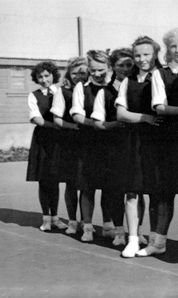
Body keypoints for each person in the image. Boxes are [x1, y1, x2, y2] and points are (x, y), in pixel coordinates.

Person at [137, 26, 178, 258]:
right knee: (163, 193)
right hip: (168, 142)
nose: (177, 50)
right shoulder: (159, 74)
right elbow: (159, 106)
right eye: (172, 46)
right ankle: (158, 241)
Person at [115, 36, 163, 257]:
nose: (142, 59)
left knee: (157, 192)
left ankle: (155, 240)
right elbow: (121, 114)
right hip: (134, 141)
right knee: (133, 191)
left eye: (146, 54)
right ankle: (133, 239)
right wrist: (145, 118)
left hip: (160, 142)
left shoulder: (165, 75)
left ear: (155, 54)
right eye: (137, 55)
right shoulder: (128, 81)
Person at [70, 50, 115, 242]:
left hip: (111, 144)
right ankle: (87, 226)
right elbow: (77, 115)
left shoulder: (114, 87)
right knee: (87, 187)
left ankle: (108, 225)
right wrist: (99, 124)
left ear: (109, 68)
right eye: (93, 70)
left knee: (109, 186)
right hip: (88, 142)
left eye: (101, 70)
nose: (97, 74)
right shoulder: (82, 88)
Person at [91, 48, 135, 246]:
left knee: (136, 190)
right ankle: (118, 231)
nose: (125, 69)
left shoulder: (140, 86)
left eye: (129, 64)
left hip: (136, 145)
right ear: (112, 68)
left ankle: (136, 231)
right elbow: (98, 123)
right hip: (113, 147)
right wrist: (117, 124)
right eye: (120, 65)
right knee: (116, 190)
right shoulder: (104, 92)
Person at [26, 61, 68, 231]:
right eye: (40, 77)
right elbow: (37, 119)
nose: (43, 80)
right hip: (43, 141)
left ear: (53, 76)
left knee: (55, 179)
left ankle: (56, 217)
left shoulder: (61, 92)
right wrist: (57, 126)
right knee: (44, 180)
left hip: (60, 141)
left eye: (46, 76)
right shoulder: (33, 95)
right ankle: (46, 219)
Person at [51, 57, 88, 234]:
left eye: (82, 72)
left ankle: (88, 222)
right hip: (71, 142)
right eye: (74, 73)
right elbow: (57, 119)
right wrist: (74, 126)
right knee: (72, 183)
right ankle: (73, 221)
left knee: (89, 184)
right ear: (69, 74)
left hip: (91, 142)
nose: (78, 76)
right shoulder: (63, 91)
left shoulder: (92, 89)